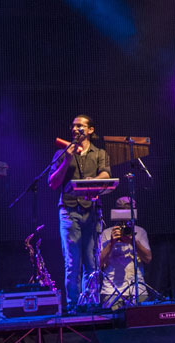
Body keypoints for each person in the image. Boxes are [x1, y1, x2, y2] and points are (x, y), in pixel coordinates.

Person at [48, 115, 111, 313]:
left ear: (90, 130)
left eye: (80, 126)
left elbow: (106, 174)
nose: (75, 129)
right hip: (69, 211)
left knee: (92, 261)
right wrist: (67, 159)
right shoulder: (62, 152)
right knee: (73, 261)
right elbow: (52, 182)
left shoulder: (99, 153)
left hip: (91, 211)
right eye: (73, 126)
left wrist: (95, 180)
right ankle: (74, 306)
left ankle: (90, 303)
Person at [99, 196, 152, 309]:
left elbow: (148, 258)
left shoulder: (140, 232)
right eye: (122, 210)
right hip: (112, 290)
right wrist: (111, 243)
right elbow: (98, 263)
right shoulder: (107, 233)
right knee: (112, 318)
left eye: (128, 210)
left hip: (137, 289)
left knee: (142, 317)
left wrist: (133, 242)